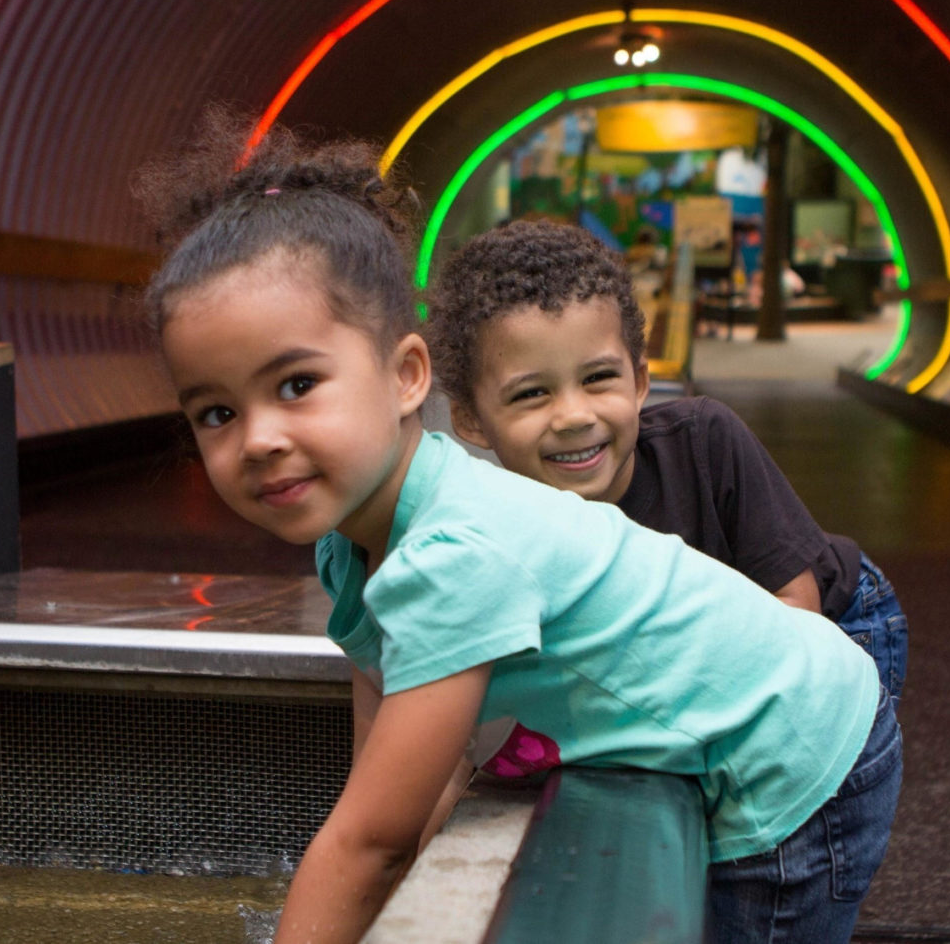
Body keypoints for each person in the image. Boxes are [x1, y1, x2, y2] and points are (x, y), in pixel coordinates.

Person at [140, 114, 900, 944]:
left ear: (407, 376)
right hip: (770, 712)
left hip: (797, 754)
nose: (258, 438)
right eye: (217, 411)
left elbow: (369, 845)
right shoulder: (351, 546)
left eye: (295, 385)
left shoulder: (455, 551)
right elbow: (386, 780)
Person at [425, 219, 907, 701]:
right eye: (532, 393)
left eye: (597, 379)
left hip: (836, 620)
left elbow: (797, 614)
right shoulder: (497, 522)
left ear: (638, 382)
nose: (574, 416)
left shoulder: (703, 443)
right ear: (469, 419)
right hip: (701, 652)